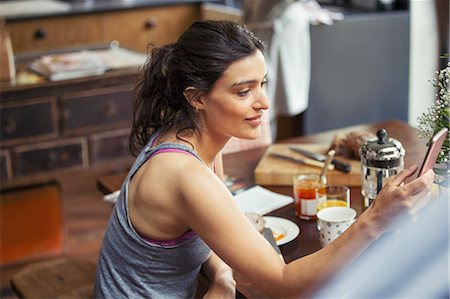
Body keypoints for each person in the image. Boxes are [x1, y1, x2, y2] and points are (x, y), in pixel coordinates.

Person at [95, 20, 435, 298]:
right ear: (196, 97)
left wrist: (223, 276)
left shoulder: (187, 137)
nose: (263, 102)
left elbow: (202, 227)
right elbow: (284, 285)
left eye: (263, 84)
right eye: (244, 91)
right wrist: (375, 219)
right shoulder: (185, 173)